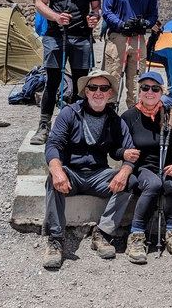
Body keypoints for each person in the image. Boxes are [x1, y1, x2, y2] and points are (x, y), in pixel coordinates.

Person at [42, 69, 137, 269]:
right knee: (53, 178)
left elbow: (130, 152)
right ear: (86, 91)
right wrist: (57, 169)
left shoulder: (115, 120)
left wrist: (124, 171)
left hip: (98, 175)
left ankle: (102, 233)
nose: (98, 92)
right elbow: (53, 144)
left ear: (110, 93)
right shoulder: (70, 113)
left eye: (103, 88)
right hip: (72, 173)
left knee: (131, 181)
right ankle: (56, 238)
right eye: (93, 87)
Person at [31, 0, 102, 145]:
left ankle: (78, 125)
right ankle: (44, 126)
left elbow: (96, 7)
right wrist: (55, 17)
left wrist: (94, 18)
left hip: (81, 37)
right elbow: (39, 3)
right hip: (55, 36)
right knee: (52, 82)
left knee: (82, 84)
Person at [121, 72, 172, 264]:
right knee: (153, 184)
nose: (150, 92)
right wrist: (124, 154)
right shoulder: (128, 117)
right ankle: (136, 235)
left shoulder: (170, 115)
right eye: (145, 88)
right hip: (141, 168)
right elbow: (117, 147)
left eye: (155, 88)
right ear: (139, 91)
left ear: (162, 92)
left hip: (164, 166)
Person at [102, 0, 159, 110]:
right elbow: (106, 11)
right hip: (118, 37)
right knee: (113, 78)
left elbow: (153, 14)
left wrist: (145, 23)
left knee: (136, 82)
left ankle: (134, 118)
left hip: (138, 39)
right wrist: (121, 24)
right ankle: (109, 115)